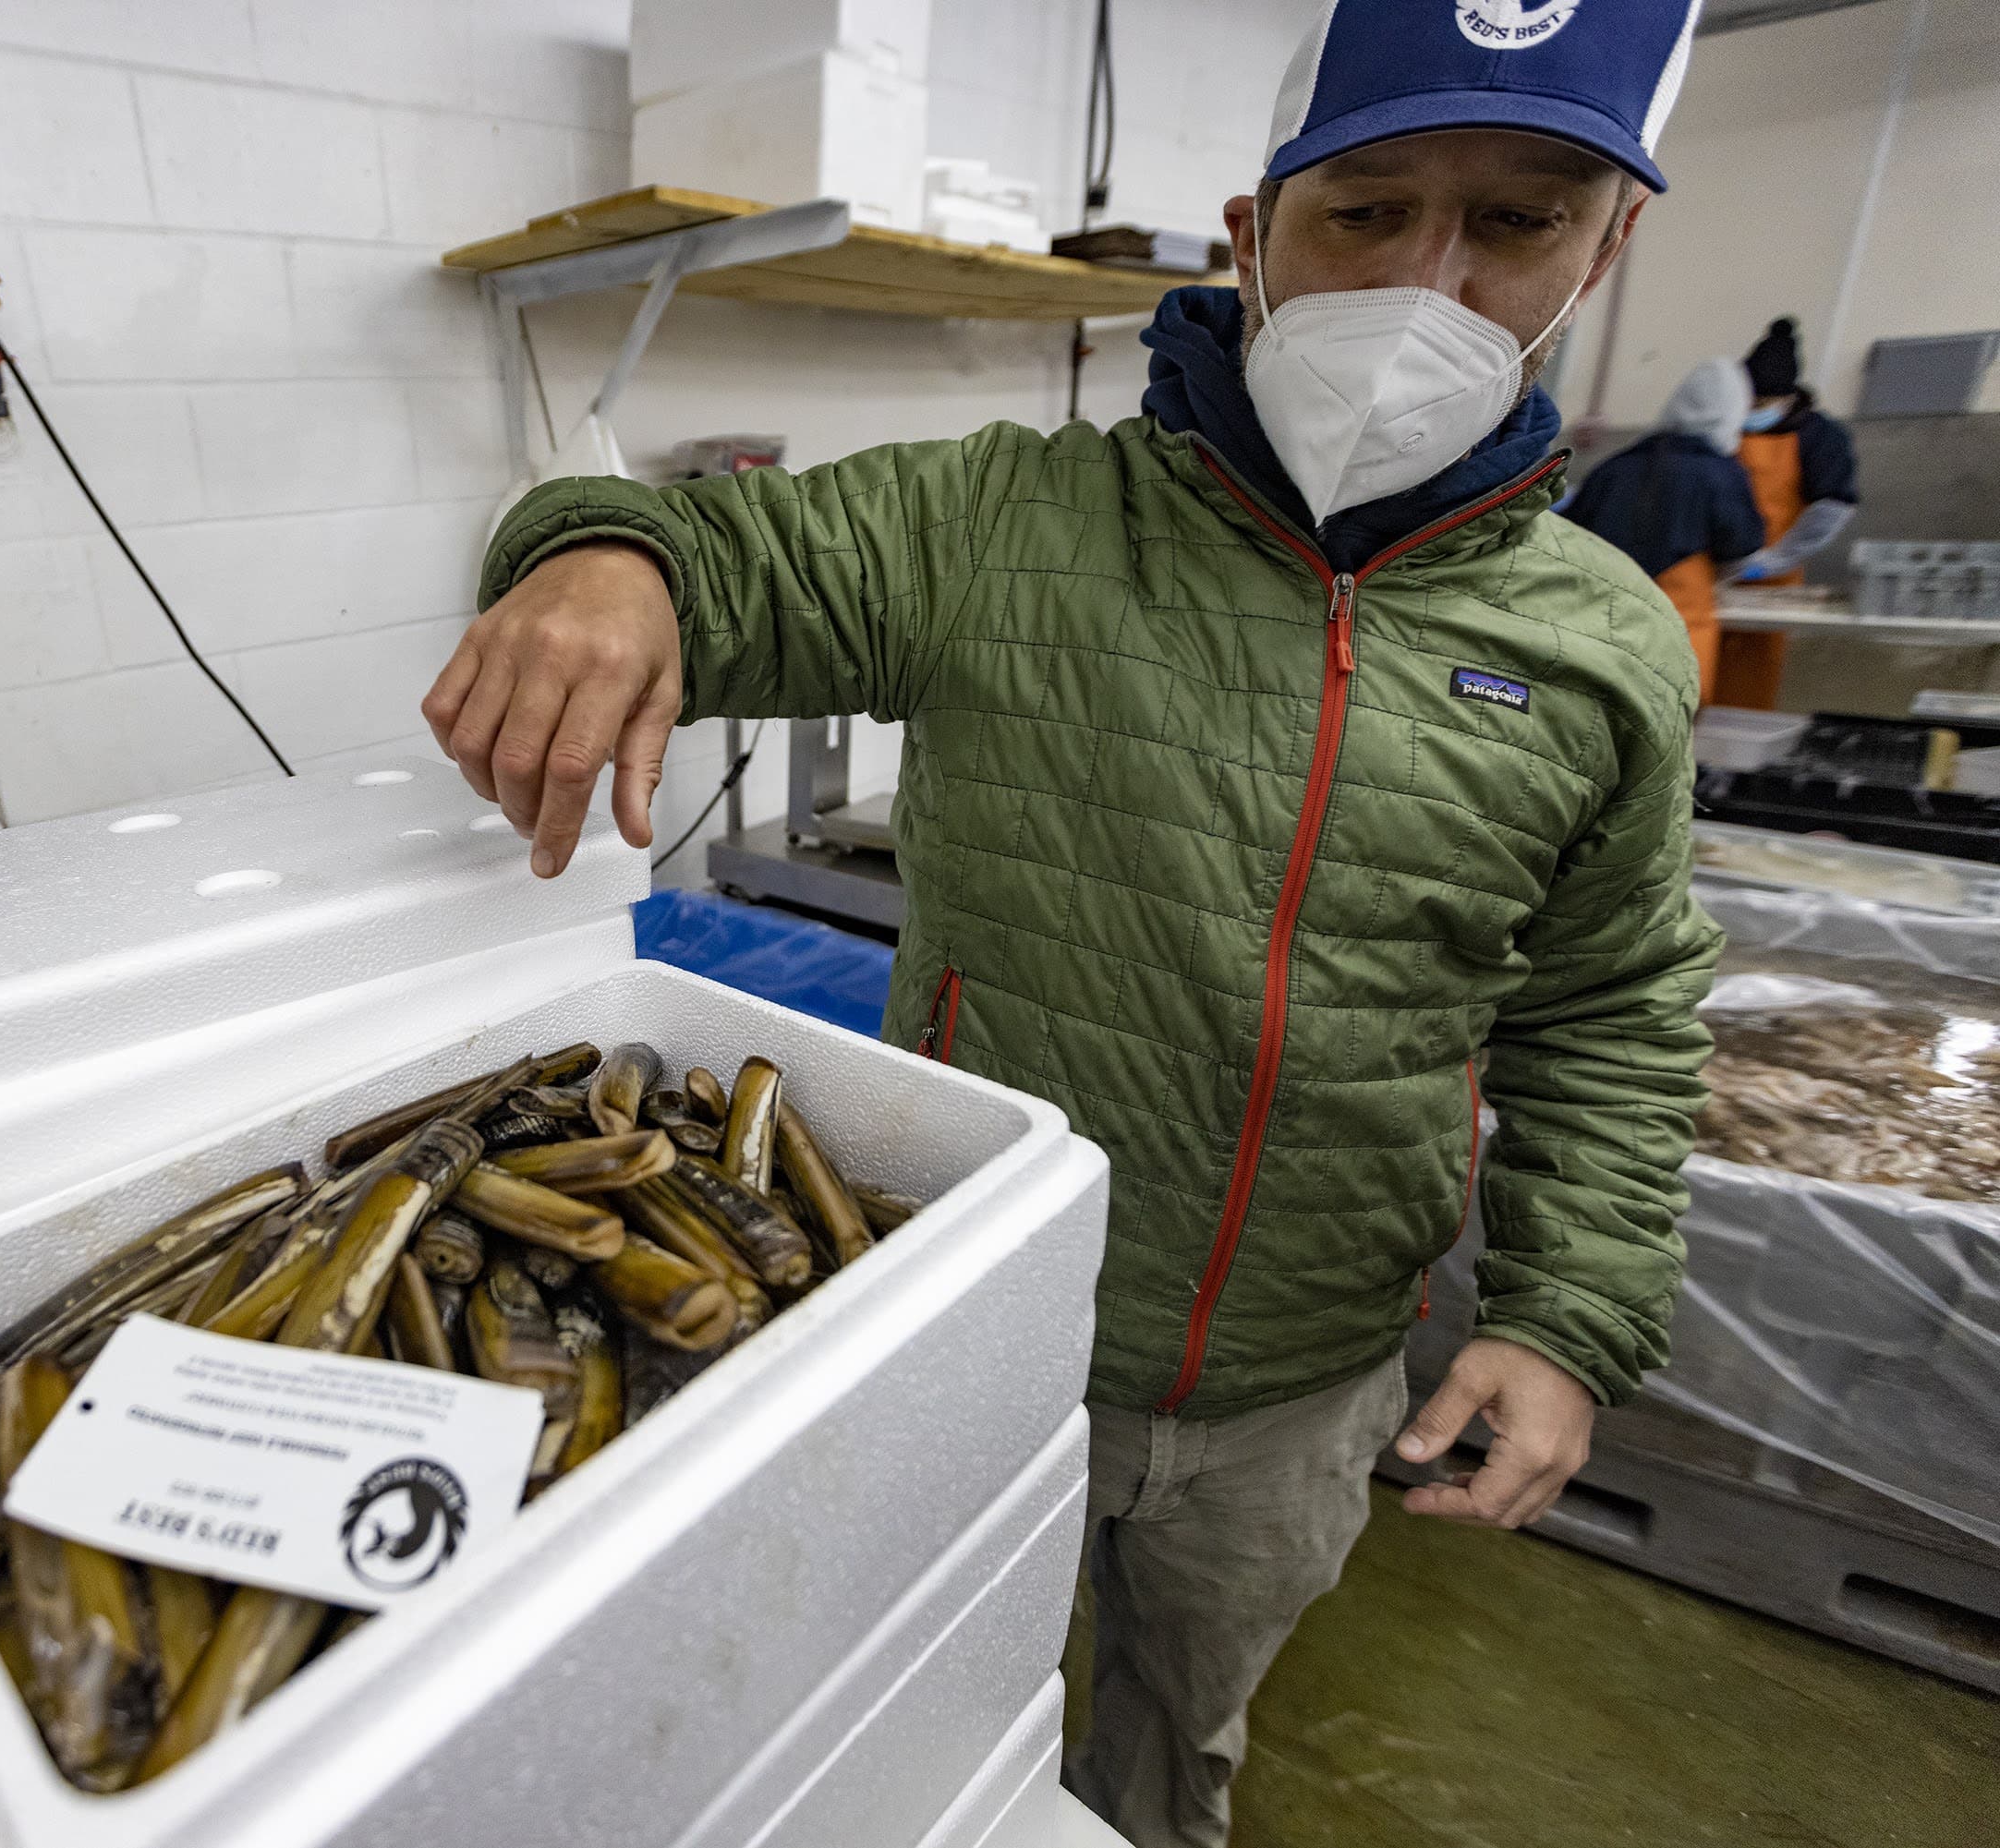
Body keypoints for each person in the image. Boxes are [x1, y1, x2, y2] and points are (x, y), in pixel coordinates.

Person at [423, 3, 1721, 1842]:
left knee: (1176, 1744)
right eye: (1366, 211)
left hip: (1305, 1381)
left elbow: (1611, 1007)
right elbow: (722, 559)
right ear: (1252, 224)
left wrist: (1571, 1312)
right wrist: (594, 556)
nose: (1428, 280)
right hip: (980, 1321)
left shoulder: (1603, 649)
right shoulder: (1007, 523)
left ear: (1609, 246)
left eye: (1516, 222)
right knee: (912, 1723)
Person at [1563, 357, 1766, 701]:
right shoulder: (1720, 474)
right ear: (1734, 412)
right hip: (1678, 638)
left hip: (1598, 633)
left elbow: (1567, 538)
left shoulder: (1614, 468)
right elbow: (1741, 546)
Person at [1715, 315, 1861, 707]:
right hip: (1710, 575)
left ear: (1788, 397)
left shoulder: (1819, 437)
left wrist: (1771, 560)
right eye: (1746, 401)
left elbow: (1833, 506)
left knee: (1747, 684)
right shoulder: (1723, 426)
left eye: (1760, 404)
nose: (1750, 411)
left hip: (1771, 583)